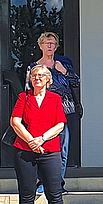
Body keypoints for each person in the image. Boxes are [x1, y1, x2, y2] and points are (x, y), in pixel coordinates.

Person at [11, 65, 68, 204]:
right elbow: (15, 122)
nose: (37, 78)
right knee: (26, 195)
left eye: (41, 75)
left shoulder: (55, 99)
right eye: (34, 75)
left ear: (48, 79)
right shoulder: (23, 97)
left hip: (50, 151)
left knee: (55, 195)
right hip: (25, 151)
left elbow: (60, 124)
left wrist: (42, 139)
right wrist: (30, 141)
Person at [27, 32, 80, 194]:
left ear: (56, 46)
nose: (49, 46)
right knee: (44, 148)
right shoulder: (34, 67)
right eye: (46, 43)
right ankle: (42, 183)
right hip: (43, 113)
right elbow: (29, 90)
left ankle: (57, 185)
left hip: (65, 111)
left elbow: (76, 82)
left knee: (62, 150)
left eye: (52, 43)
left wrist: (64, 71)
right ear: (40, 45)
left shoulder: (63, 63)